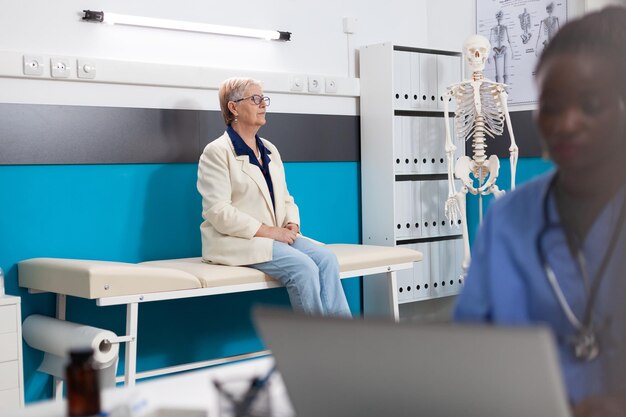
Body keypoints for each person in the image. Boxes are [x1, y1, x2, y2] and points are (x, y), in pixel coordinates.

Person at [454, 7, 626, 416]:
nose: (566, 123)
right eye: (550, 106)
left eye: (590, 104)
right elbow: (470, 352)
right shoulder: (508, 217)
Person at [197, 77, 351, 317]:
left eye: (264, 99)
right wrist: (270, 231)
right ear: (233, 107)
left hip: (277, 236)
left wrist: (292, 223)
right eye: (255, 99)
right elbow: (218, 211)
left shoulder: (269, 149)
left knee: (327, 259)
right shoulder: (216, 151)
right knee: (304, 268)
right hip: (237, 240)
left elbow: (285, 197)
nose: (263, 105)